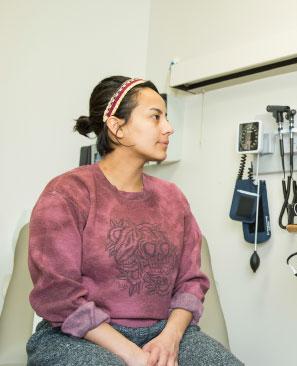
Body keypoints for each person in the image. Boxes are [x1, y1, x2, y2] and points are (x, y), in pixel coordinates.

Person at [26, 76, 243, 366]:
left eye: (166, 117)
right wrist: (133, 356)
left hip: (163, 331)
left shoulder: (172, 197)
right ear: (117, 128)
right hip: (77, 336)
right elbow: (58, 293)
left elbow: (191, 283)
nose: (169, 128)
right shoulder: (68, 192)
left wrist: (169, 339)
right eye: (155, 117)